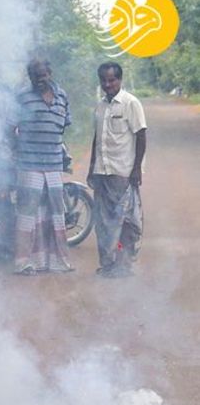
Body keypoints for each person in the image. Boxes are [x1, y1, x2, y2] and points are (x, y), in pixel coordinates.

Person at [7, 58, 74, 275]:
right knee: (27, 215)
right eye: (36, 76)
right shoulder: (22, 97)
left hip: (53, 164)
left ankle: (55, 262)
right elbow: (9, 128)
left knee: (55, 213)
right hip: (29, 164)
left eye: (43, 74)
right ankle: (24, 263)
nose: (40, 79)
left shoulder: (62, 96)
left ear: (50, 73)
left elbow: (63, 127)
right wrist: (17, 150)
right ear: (30, 77)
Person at [86, 62, 147, 278]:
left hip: (123, 172)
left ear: (119, 80)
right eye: (103, 80)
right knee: (103, 223)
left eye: (111, 80)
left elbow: (140, 135)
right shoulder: (100, 106)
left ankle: (124, 265)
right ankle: (108, 265)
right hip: (102, 172)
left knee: (126, 222)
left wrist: (137, 168)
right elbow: (97, 139)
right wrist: (92, 167)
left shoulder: (131, 103)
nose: (107, 84)